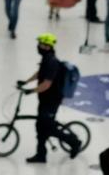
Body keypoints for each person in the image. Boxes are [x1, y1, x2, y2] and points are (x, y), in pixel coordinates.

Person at [18, 33, 81, 164]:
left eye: (40, 44)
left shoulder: (52, 62)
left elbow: (46, 84)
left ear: (47, 46)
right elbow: (39, 73)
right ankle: (41, 155)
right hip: (44, 99)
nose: (38, 46)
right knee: (40, 126)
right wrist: (26, 82)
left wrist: (31, 91)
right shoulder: (46, 59)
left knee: (48, 126)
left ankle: (74, 142)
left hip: (51, 100)